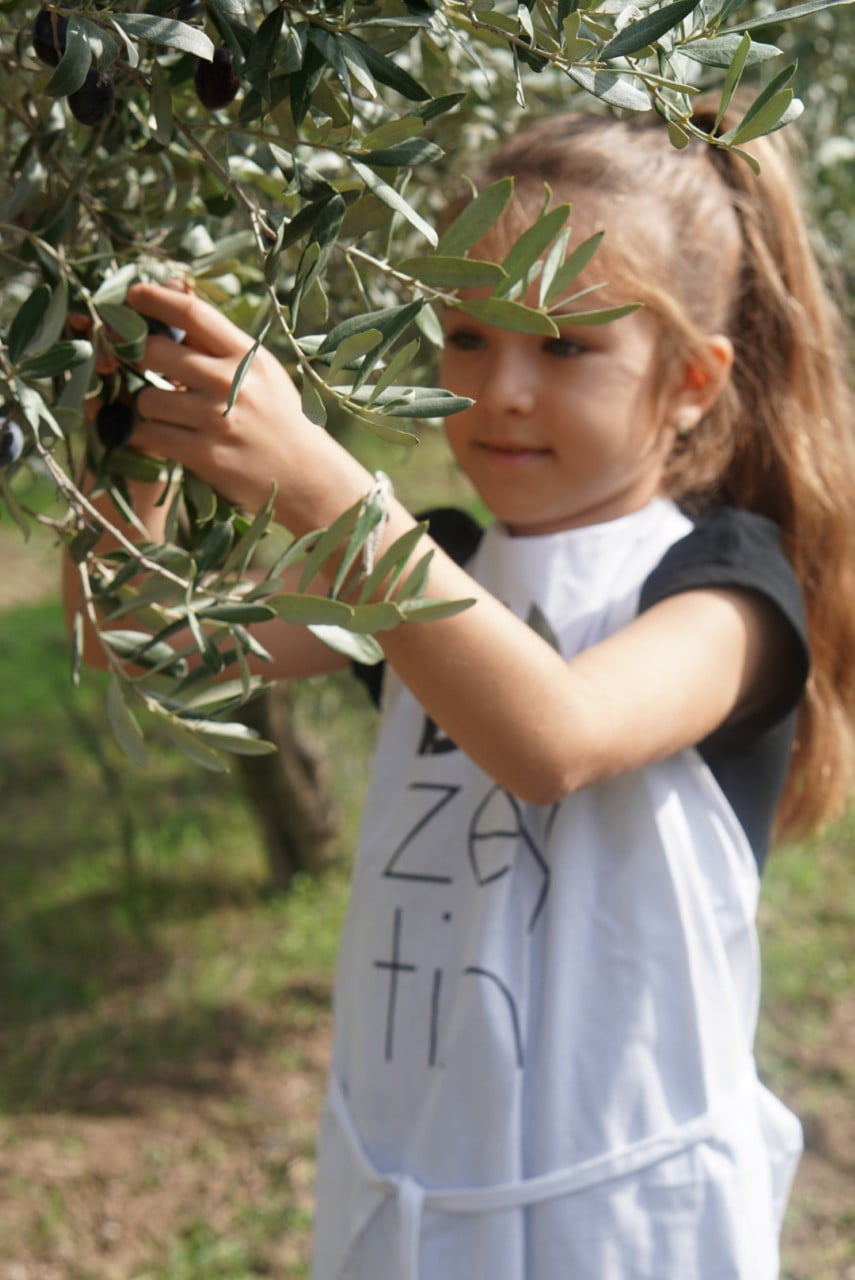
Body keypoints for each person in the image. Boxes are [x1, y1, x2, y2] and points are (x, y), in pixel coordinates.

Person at [64, 107, 855, 1279]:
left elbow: (554, 737)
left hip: (627, 1228)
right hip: (408, 1205)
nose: (501, 390)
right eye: (469, 335)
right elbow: (142, 641)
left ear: (691, 379)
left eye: (565, 346)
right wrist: (131, 447)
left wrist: (329, 490)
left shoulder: (730, 588)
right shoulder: (436, 564)